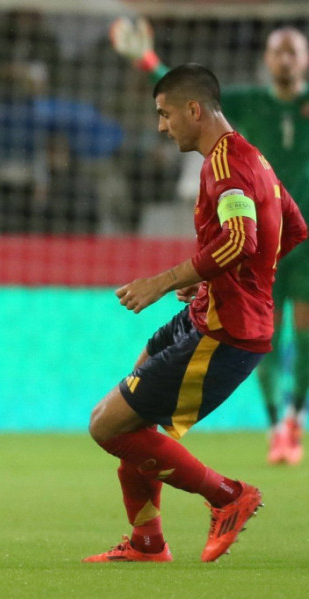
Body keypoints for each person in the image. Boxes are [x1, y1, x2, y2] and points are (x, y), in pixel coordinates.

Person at [84, 64, 306, 563]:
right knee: (130, 417)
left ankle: (229, 496)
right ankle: (147, 542)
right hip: (210, 314)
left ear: (193, 110)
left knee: (107, 425)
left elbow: (239, 240)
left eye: (165, 114)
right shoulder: (252, 158)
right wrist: (221, 280)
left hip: (226, 332)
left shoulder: (226, 167)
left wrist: (162, 282)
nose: (161, 126)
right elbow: (292, 228)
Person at [111, 19, 309, 464]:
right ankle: (276, 424)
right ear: (265, 59)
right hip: (267, 236)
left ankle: (291, 421)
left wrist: (163, 281)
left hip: (280, 242)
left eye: (293, 51)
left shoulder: (230, 163)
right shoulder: (247, 106)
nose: (285, 59)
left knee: (301, 331)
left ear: (306, 60)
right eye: (277, 51)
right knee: (272, 326)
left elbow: (185, 104)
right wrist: (148, 61)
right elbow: (185, 96)